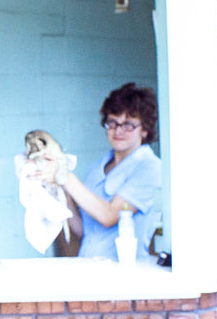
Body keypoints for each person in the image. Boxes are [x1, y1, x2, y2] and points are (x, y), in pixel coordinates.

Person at [35, 82, 162, 260]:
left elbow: (109, 216)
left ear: (145, 130)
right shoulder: (97, 167)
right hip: (89, 266)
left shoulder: (150, 167)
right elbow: (83, 230)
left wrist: (64, 175)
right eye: (112, 122)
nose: (118, 130)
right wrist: (58, 189)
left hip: (126, 273)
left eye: (128, 125)